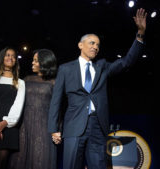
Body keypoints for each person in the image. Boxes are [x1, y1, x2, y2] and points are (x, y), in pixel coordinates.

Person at [48, 8, 147, 169]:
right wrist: (54, 129)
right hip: (74, 126)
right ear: (80, 45)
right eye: (92, 43)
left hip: (98, 127)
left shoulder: (102, 67)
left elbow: (127, 61)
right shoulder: (66, 69)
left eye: (98, 45)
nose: (95, 47)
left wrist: (140, 33)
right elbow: (56, 101)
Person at [8, 49, 58, 169]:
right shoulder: (26, 80)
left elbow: (58, 109)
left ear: (45, 62)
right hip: (24, 126)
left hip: (44, 128)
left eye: (36, 60)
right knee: (20, 159)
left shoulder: (54, 82)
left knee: (40, 158)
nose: (32, 63)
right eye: (33, 60)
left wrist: (56, 129)